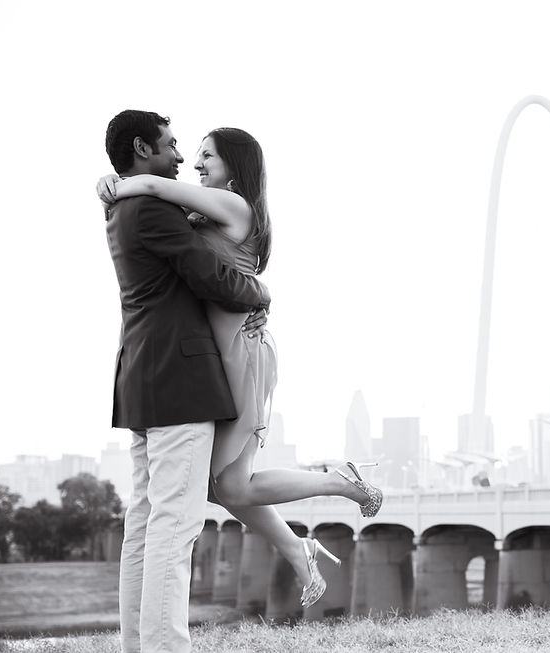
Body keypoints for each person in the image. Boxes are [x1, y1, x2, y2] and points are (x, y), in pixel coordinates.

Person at [97, 126, 383, 614]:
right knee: (225, 485)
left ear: (235, 164)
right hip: (219, 352)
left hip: (242, 352)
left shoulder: (236, 206)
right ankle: (302, 541)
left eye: (207, 155)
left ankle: (337, 485)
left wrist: (113, 182)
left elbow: (153, 186)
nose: (196, 162)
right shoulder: (206, 208)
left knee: (228, 483)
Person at [103, 110, 272, 653]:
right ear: (141, 148)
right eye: (172, 145)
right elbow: (207, 273)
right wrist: (260, 294)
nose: (180, 157)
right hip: (179, 378)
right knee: (175, 532)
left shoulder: (120, 206)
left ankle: (140, 645)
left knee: (147, 524)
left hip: (143, 378)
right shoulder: (150, 205)